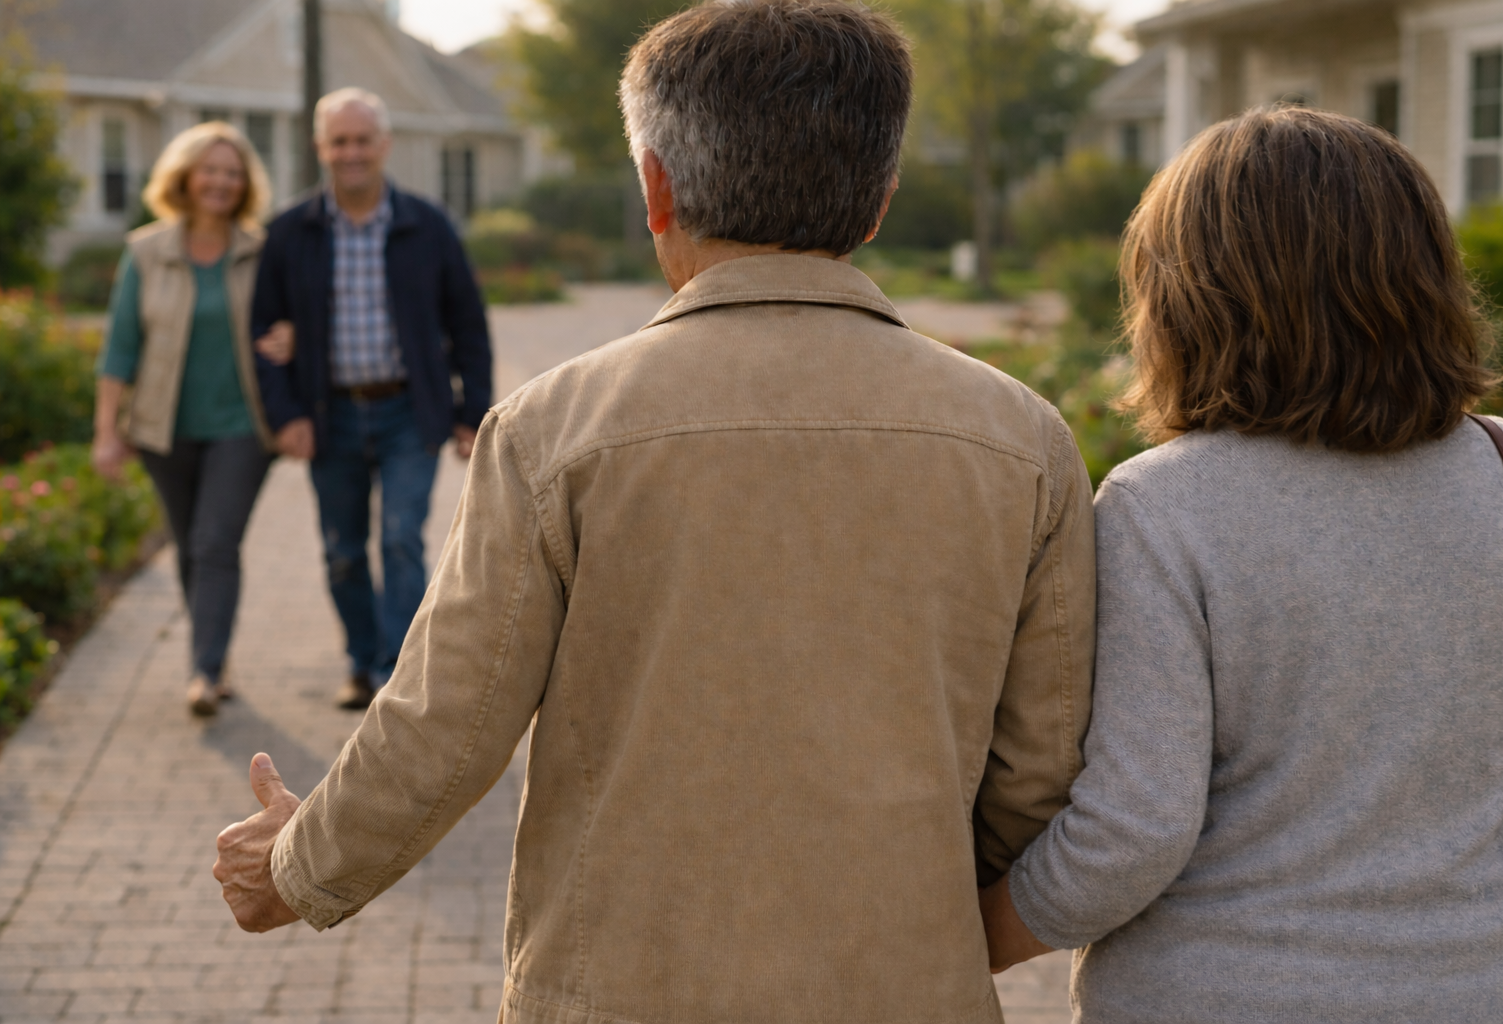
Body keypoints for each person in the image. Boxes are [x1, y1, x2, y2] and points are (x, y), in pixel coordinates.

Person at [213, 2, 1095, 1021]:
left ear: (657, 188)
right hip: (905, 987)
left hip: (622, 986)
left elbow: (446, 722)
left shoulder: (555, 428)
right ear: (879, 203)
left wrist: (296, 866)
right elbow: (1041, 772)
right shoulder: (1024, 441)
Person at [981, 107, 1503, 1021]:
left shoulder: (1164, 506)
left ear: (1188, 299)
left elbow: (1132, 834)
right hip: (1485, 989)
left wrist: (971, 937)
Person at [250, 87, 493, 710]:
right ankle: (361, 660)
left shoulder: (428, 225)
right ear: (320, 148)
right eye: (340, 141)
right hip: (328, 415)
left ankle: (397, 673)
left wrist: (472, 414)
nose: (351, 152)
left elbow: (468, 324)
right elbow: (263, 334)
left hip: (409, 412)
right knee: (343, 552)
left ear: (384, 145)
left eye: (362, 140)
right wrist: (286, 416)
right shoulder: (290, 232)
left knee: (402, 537)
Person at [92, 122, 277, 717]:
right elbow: (120, 347)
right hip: (162, 430)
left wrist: (290, 338)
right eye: (210, 170)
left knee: (215, 540)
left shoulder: (260, 252)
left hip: (243, 426)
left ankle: (204, 671)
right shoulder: (146, 252)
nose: (221, 182)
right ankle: (212, 655)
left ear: (245, 183)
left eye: (233, 172)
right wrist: (106, 432)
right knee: (191, 548)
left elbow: (291, 319)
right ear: (185, 177)